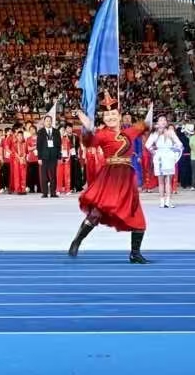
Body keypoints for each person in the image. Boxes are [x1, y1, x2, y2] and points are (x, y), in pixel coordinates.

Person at [67, 92, 151, 264]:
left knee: (137, 215)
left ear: (119, 116)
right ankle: (77, 241)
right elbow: (88, 141)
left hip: (127, 179)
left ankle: (135, 253)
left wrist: (151, 108)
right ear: (103, 118)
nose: (111, 117)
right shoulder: (102, 134)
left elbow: (146, 125)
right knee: (97, 212)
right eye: (107, 115)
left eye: (113, 114)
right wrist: (87, 127)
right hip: (110, 177)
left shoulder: (130, 132)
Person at [146, 115, 183, 208]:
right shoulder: (154, 133)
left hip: (169, 157)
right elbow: (147, 144)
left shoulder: (171, 132)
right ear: (158, 123)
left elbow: (179, 144)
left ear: (166, 122)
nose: (162, 121)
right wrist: (153, 151)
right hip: (159, 157)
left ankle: (168, 201)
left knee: (168, 180)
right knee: (161, 180)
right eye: (160, 120)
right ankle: (162, 201)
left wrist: (174, 151)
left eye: (164, 120)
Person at [37, 114, 62, 198]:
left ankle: (53, 192)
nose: (48, 122)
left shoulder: (56, 131)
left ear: (52, 122)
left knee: (53, 175)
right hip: (44, 156)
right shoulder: (40, 132)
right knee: (44, 175)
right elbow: (39, 146)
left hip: (53, 156)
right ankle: (44, 193)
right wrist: (39, 158)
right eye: (47, 121)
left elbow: (59, 145)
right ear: (44, 122)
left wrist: (59, 157)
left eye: (50, 121)